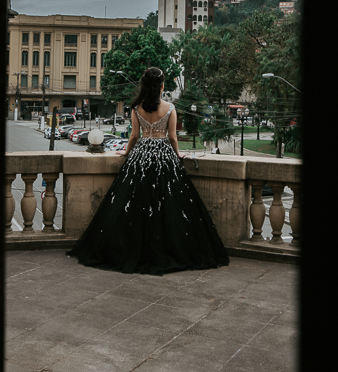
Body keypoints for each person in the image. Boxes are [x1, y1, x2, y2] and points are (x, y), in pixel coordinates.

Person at [67, 67, 230, 275]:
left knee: (133, 203)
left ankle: (135, 250)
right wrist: (178, 155)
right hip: (164, 157)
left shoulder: (136, 108)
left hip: (141, 156)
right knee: (168, 204)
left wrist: (126, 153)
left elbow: (134, 136)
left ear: (145, 86)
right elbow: (172, 138)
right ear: (162, 86)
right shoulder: (170, 108)